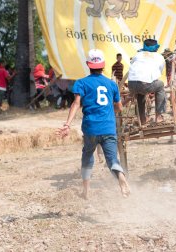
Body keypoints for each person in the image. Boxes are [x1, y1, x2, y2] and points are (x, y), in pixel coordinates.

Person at [56, 49, 130, 199]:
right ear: (103, 65)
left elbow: (76, 104)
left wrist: (67, 124)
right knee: (112, 159)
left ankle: (86, 191)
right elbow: (119, 107)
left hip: (91, 128)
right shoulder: (111, 84)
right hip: (108, 127)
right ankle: (121, 178)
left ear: (88, 65)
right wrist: (109, 113)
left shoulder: (81, 83)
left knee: (87, 156)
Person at [128, 39, 166, 124]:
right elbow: (159, 72)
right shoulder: (159, 56)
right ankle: (159, 116)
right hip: (145, 84)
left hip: (131, 84)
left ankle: (142, 119)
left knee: (140, 94)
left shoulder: (138, 54)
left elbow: (132, 65)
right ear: (156, 48)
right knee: (160, 85)